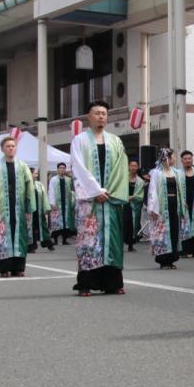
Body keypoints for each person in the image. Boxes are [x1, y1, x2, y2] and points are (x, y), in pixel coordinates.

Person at [70, 100, 129, 295]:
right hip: (89, 200)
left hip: (110, 198)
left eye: (104, 113)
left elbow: (121, 168)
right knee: (89, 239)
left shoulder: (115, 141)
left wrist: (109, 191)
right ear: (89, 116)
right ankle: (86, 283)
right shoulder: (79, 140)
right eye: (97, 113)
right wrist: (96, 191)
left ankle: (112, 282)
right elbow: (78, 168)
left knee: (111, 238)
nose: (101, 116)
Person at [0, 136, 35, 278]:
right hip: (2, 207)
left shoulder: (23, 166)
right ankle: (4, 267)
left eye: (13, 146)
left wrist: (30, 205)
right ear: (2, 149)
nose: (11, 148)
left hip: (19, 208)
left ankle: (19, 267)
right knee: (2, 236)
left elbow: (29, 185)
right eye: (8, 146)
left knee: (19, 236)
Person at [148, 147, 189, 270]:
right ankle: (163, 260)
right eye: (173, 157)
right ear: (167, 158)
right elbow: (152, 190)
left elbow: (180, 189)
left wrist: (183, 203)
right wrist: (153, 208)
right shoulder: (156, 173)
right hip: (162, 206)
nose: (174, 159)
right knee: (162, 233)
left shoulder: (176, 173)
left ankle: (171, 258)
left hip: (174, 205)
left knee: (174, 231)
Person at [48, 162, 77, 245]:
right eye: (60, 168)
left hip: (66, 204)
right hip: (57, 204)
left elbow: (71, 191)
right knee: (56, 222)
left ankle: (64, 240)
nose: (62, 169)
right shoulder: (53, 179)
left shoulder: (68, 180)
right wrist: (52, 203)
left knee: (66, 223)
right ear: (57, 169)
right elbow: (51, 191)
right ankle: (55, 240)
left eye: (64, 168)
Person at [29, 169, 53, 252]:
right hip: (29, 210)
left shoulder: (39, 185)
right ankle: (31, 246)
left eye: (36, 174)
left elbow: (44, 196)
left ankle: (48, 243)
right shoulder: (26, 184)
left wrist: (46, 207)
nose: (36, 175)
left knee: (43, 226)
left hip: (39, 210)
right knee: (30, 228)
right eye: (35, 173)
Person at [124, 160, 146, 252]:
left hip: (134, 205)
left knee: (133, 225)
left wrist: (132, 197)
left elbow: (140, 195)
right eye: (131, 165)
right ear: (129, 167)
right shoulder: (123, 178)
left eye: (135, 166)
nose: (133, 167)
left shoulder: (140, 181)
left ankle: (131, 244)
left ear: (137, 167)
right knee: (123, 223)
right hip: (123, 203)